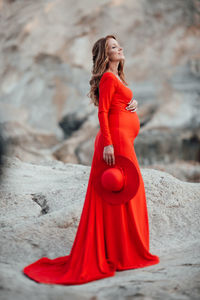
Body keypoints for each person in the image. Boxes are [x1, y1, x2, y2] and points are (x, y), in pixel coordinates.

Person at [22, 34, 160, 285]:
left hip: (123, 139)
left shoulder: (116, 77)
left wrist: (133, 101)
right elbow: (103, 111)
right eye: (113, 47)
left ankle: (122, 252)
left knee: (125, 195)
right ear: (106, 55)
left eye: (118, 45)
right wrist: (108, 142)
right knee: (122, 194)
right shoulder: (107, 77)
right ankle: (122, 254)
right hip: (115, 142)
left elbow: (119, 101)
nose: (119, 48)